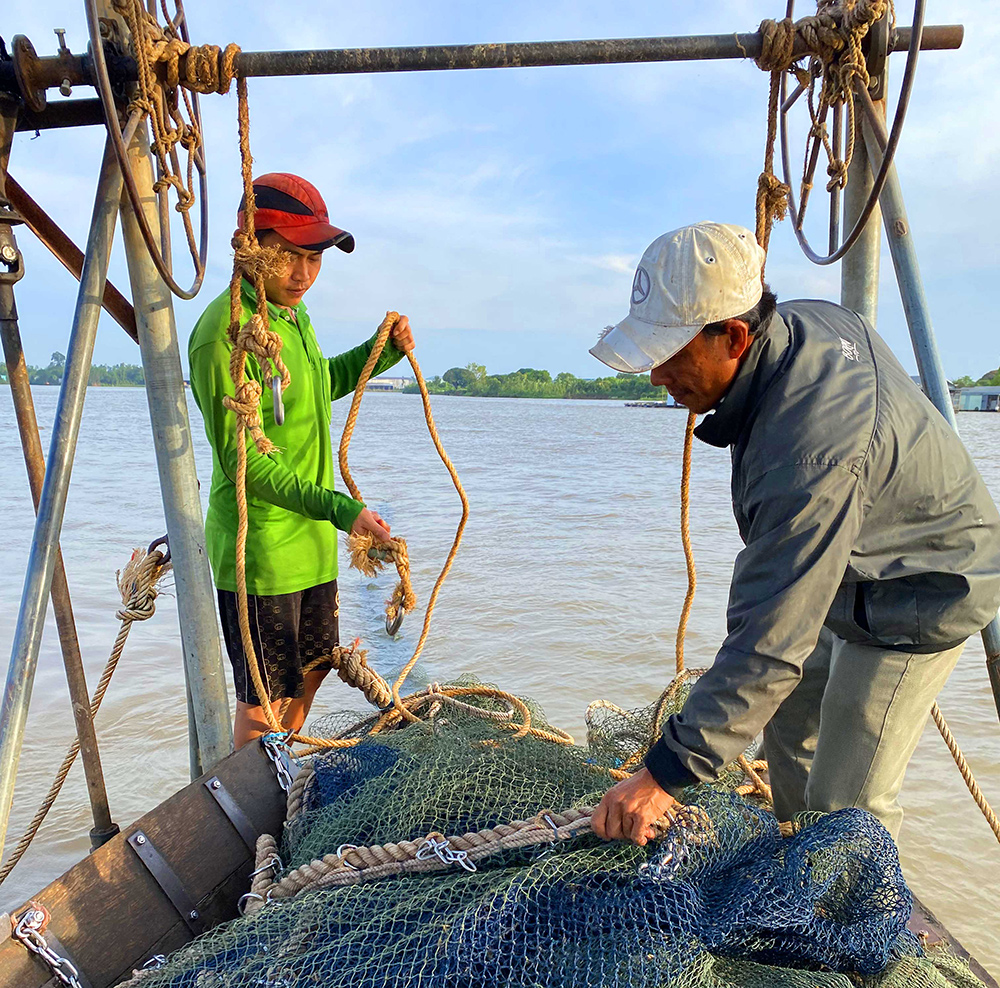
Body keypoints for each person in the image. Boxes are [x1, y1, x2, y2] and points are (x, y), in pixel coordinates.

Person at [589, 221, 1000, 844]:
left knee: (845, 811)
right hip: (848, 571)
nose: (654, 375)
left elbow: (771, 639)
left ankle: (843, 911)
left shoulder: (809, 454)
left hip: (922, 590)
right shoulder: (800, 325)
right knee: (786, 731)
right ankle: (790, 869)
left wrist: (663, 776)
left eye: (668, 353)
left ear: (733, 335)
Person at [188, 173, 414, 748]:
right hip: (261, 555)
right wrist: (344, 510)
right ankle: (251, 825)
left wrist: (379, 352)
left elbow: (316, 383)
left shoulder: (292, 317)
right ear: (248, 243)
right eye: (287, 256)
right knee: (263, 709)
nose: (303, 275)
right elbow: (250, 468)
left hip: (312, 546)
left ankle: (276, 789)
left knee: (309, 677)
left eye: (313, 258)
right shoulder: (226, 334)